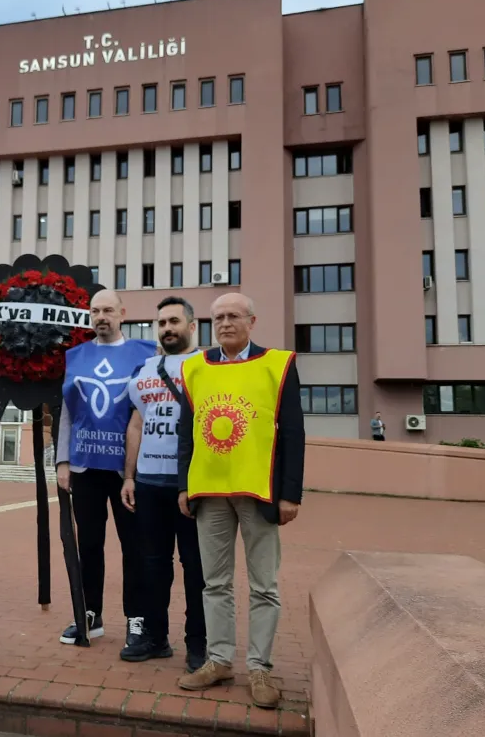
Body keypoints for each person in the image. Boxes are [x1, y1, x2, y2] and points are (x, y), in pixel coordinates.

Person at [175, 293, 305, 709]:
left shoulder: (277, 365)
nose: (225, 323)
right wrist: (184, 486)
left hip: (259, 490)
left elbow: (293, 434)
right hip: (210, 492)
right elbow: (185, 432)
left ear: (252, 320)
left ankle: (260, 666)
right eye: (218, 317)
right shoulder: (194, 367)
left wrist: (290, 494)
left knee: (264, 585)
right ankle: (219, 660)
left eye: (233, 316)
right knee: (214, 583)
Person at [55, 289, 157, 654]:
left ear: (122, 314)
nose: (101, 316)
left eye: (108, 310)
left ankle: (137, 618)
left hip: (128, 470)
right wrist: (62, 460)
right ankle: (89, 614)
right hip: (85, 465)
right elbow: (67, 411)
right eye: (95, 311)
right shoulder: (76, 356)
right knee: (90, 545)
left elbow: (148, 407)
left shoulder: (144, 354)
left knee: (135, 545)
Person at [120, 297, 206, 672]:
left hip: (193, 485)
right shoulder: (145, 369)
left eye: (174, 320)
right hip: (150, 483)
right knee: (153, 565)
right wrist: (129, 475)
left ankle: (198, 644)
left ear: (192, 326)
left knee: (196, 569)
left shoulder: (209, 366)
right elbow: (137, 423)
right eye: (162, 322)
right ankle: (156, 638)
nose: (167, 328)